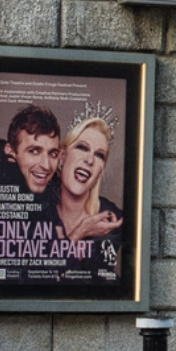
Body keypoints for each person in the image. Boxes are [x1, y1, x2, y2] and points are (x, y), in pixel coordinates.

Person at [47, 117, 125, 275]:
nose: (89, 160)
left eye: (99, 155)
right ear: (61, 155)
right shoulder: (39, 209)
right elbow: (37, 276)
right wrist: (80, 232)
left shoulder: (111, 220)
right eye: (82, 148)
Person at [0, 105, 61, 201]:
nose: (46, 165)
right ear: (10, 150)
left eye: (53, 154)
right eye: (34, 151)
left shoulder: (57, 197)